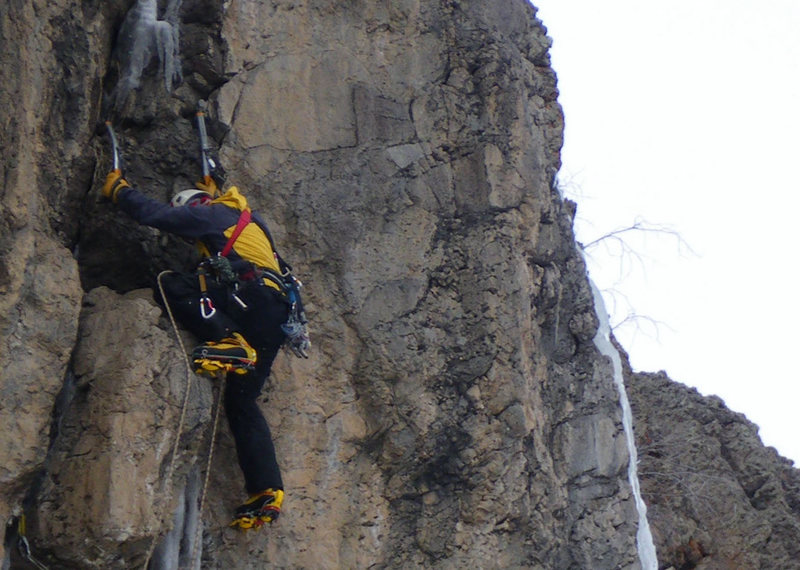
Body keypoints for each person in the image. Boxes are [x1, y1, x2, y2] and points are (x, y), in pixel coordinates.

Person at [101, 167, 309, 530]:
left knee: (171, 283)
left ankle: (227, 340)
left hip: (250, 300)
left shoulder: (208, 215)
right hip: (274, 315)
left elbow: (157, 216)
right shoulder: (249, 220)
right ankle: (267, 490)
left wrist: (120, 192)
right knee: (241, 403)